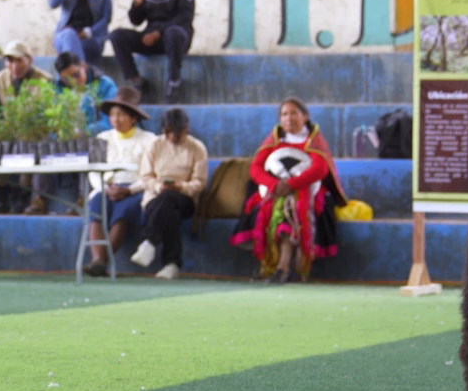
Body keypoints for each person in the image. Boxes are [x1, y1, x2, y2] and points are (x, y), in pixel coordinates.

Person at [231, 99, 346, 284]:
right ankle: (269, 264)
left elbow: (319, 169)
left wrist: (291, 184)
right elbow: (256, 168)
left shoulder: (314, 140)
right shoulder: (275, 139)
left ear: (305, 116)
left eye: (294, 113)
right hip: (275, 189)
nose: (288, 118)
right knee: (268, 209)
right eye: (284, 114)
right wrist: (274, 185)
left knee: (291, 209)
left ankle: (282, 267)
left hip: (308, 191)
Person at [110, 0, 196, 103]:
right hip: (151, 37)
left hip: (176, 37)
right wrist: (137, 4)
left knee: (174, 33)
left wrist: (159, 32)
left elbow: (185, 17)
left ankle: (173, 83)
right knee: (116, 36)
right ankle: (136, 81)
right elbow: (135, 20)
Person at [131, 107, 208, 279]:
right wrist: (159, 187)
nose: (173, 137)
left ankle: (150, 241)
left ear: (186, 129)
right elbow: (146, 177)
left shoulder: (197, 148)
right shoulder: (155, 145)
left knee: (169, 200)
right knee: (169, 211)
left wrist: (181, 186)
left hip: (185, 198)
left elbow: (200, 182)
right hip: (155, 196)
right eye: (169, 132)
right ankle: (171, 264)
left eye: (178, 132)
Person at [85, 90, 158, 271]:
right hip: (108, 187)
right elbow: (93, 170)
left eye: (121, 115)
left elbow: (152, 173)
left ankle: (102, 261)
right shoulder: (102, 138)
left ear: (133, 118)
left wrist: (130, 190)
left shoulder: (149, 140)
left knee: (124, 209)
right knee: (96, 205)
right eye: (112, 115)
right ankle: (98, 260)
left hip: (136, 188)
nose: (116, 119)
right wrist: (105, 187)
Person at [0, 40, 56, 215]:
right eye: (10, 61)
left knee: (32, 144)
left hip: (34, 133)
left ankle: (24, 196)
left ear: (30, 60)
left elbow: (48, 117)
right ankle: (2, 195)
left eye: (19, 61)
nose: (14, 66)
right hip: (8, 132)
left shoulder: (45, 81)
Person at [56, 51, 119, 134]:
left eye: (76, 75)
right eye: (67, 79)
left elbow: (110, 123)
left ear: (84, 66)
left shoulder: (105, 85)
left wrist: (83, 132)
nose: (74, 81)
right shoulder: (58, 89)